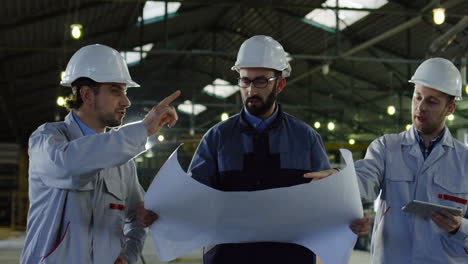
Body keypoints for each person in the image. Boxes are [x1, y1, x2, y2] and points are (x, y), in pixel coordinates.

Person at [187, 35, 369, 264]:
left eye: (260, 81)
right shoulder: (217, 138)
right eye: (245, 80)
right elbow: (190, 198)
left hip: (290, 257)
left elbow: (327, 202)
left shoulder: (306, 139)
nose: (251, 89)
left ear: (279, 84)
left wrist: (350, 219)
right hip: (229, 257)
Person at [20, 44, 179, 264]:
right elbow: (70, 166)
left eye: (125, 91)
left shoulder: (123, 162)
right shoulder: (47, 139)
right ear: (87, 95)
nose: (126, 101)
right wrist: (143, 129)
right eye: (116, 90)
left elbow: (137, 218)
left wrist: (128, 255)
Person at [305, 57, 468, 263]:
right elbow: (365, 178)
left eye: (432, 101)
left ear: (450, 108)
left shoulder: (465, 161)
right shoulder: (386, 148)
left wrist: (459, 227)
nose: (421, 107)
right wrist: (339, 180)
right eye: (417, 97)